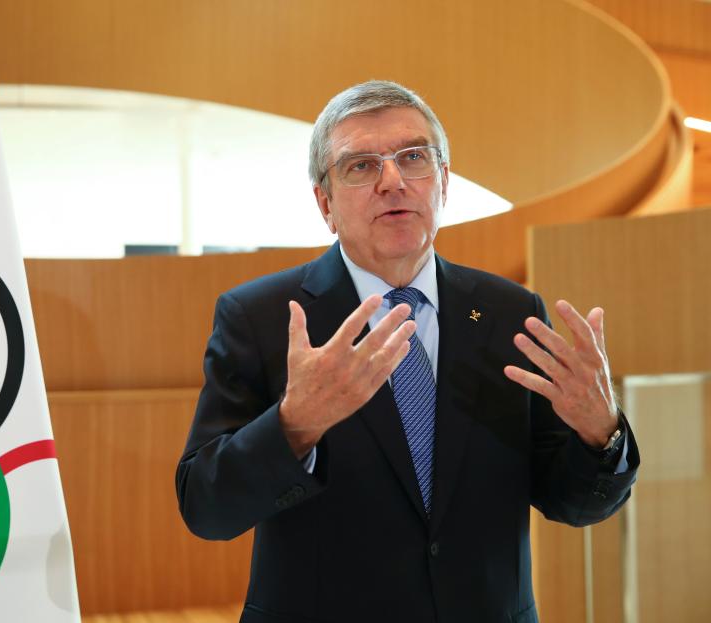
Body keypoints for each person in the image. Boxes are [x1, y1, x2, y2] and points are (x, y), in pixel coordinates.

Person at [175, 80, 638, 623]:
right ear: (325, 203)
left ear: (442, 182)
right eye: (361, 166)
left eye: (413, 157)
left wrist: (598, 433)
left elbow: (574, 502)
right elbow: (206, 508)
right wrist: (294, 425)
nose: (393, 181)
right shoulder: (262, 317)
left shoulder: (509, 311)